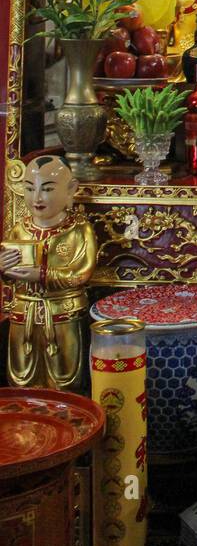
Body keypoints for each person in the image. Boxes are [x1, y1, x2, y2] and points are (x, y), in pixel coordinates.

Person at [0, 156, 96, 392]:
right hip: (24, 313)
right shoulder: (18, 229)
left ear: (70, 190)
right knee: (22, 379)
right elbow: (9, 276)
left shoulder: (79, 230)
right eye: (30, 189)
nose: (37, 198)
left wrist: (42, 274)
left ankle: (67, 422)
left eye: (48, 189)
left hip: (63, 312)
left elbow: (81, 274)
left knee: (66, 379)